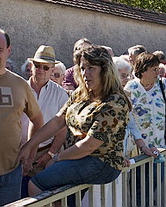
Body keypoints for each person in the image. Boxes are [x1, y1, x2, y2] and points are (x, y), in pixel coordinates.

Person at [19, 45, 131, 197]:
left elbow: (90, 144)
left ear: (105, 71)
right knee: (65, 197)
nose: (86, 73)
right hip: (78, 158)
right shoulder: (82, 93)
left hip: (101, 162)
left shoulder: (115, 101)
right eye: (83, 68)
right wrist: (29, 146)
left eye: (91, 68)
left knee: (36, 184)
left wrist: (56, 158)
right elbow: (58, 121)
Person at [0, 27, 44, 206]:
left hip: (11, 174)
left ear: (8, 50)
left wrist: (30, 149)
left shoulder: (20, 84)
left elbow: (37, 120)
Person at [20, 45, 69, 197]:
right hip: (17, 152)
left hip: (44, 154)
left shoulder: (60, 94)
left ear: (53, 69)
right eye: (37, 65)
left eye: (45, 67)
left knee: (43, 197)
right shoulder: (19, 88)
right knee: (17, 197)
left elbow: (62, 128)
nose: (40, 70)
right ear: (31, 66)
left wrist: (51, 153)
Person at [124, 52, 166, 147]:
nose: (158, 72)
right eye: (154, 69)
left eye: (158, 69)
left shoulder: (163, 84)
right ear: (143, 71)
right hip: (139, 146)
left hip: (162, 143)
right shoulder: (131, 88)